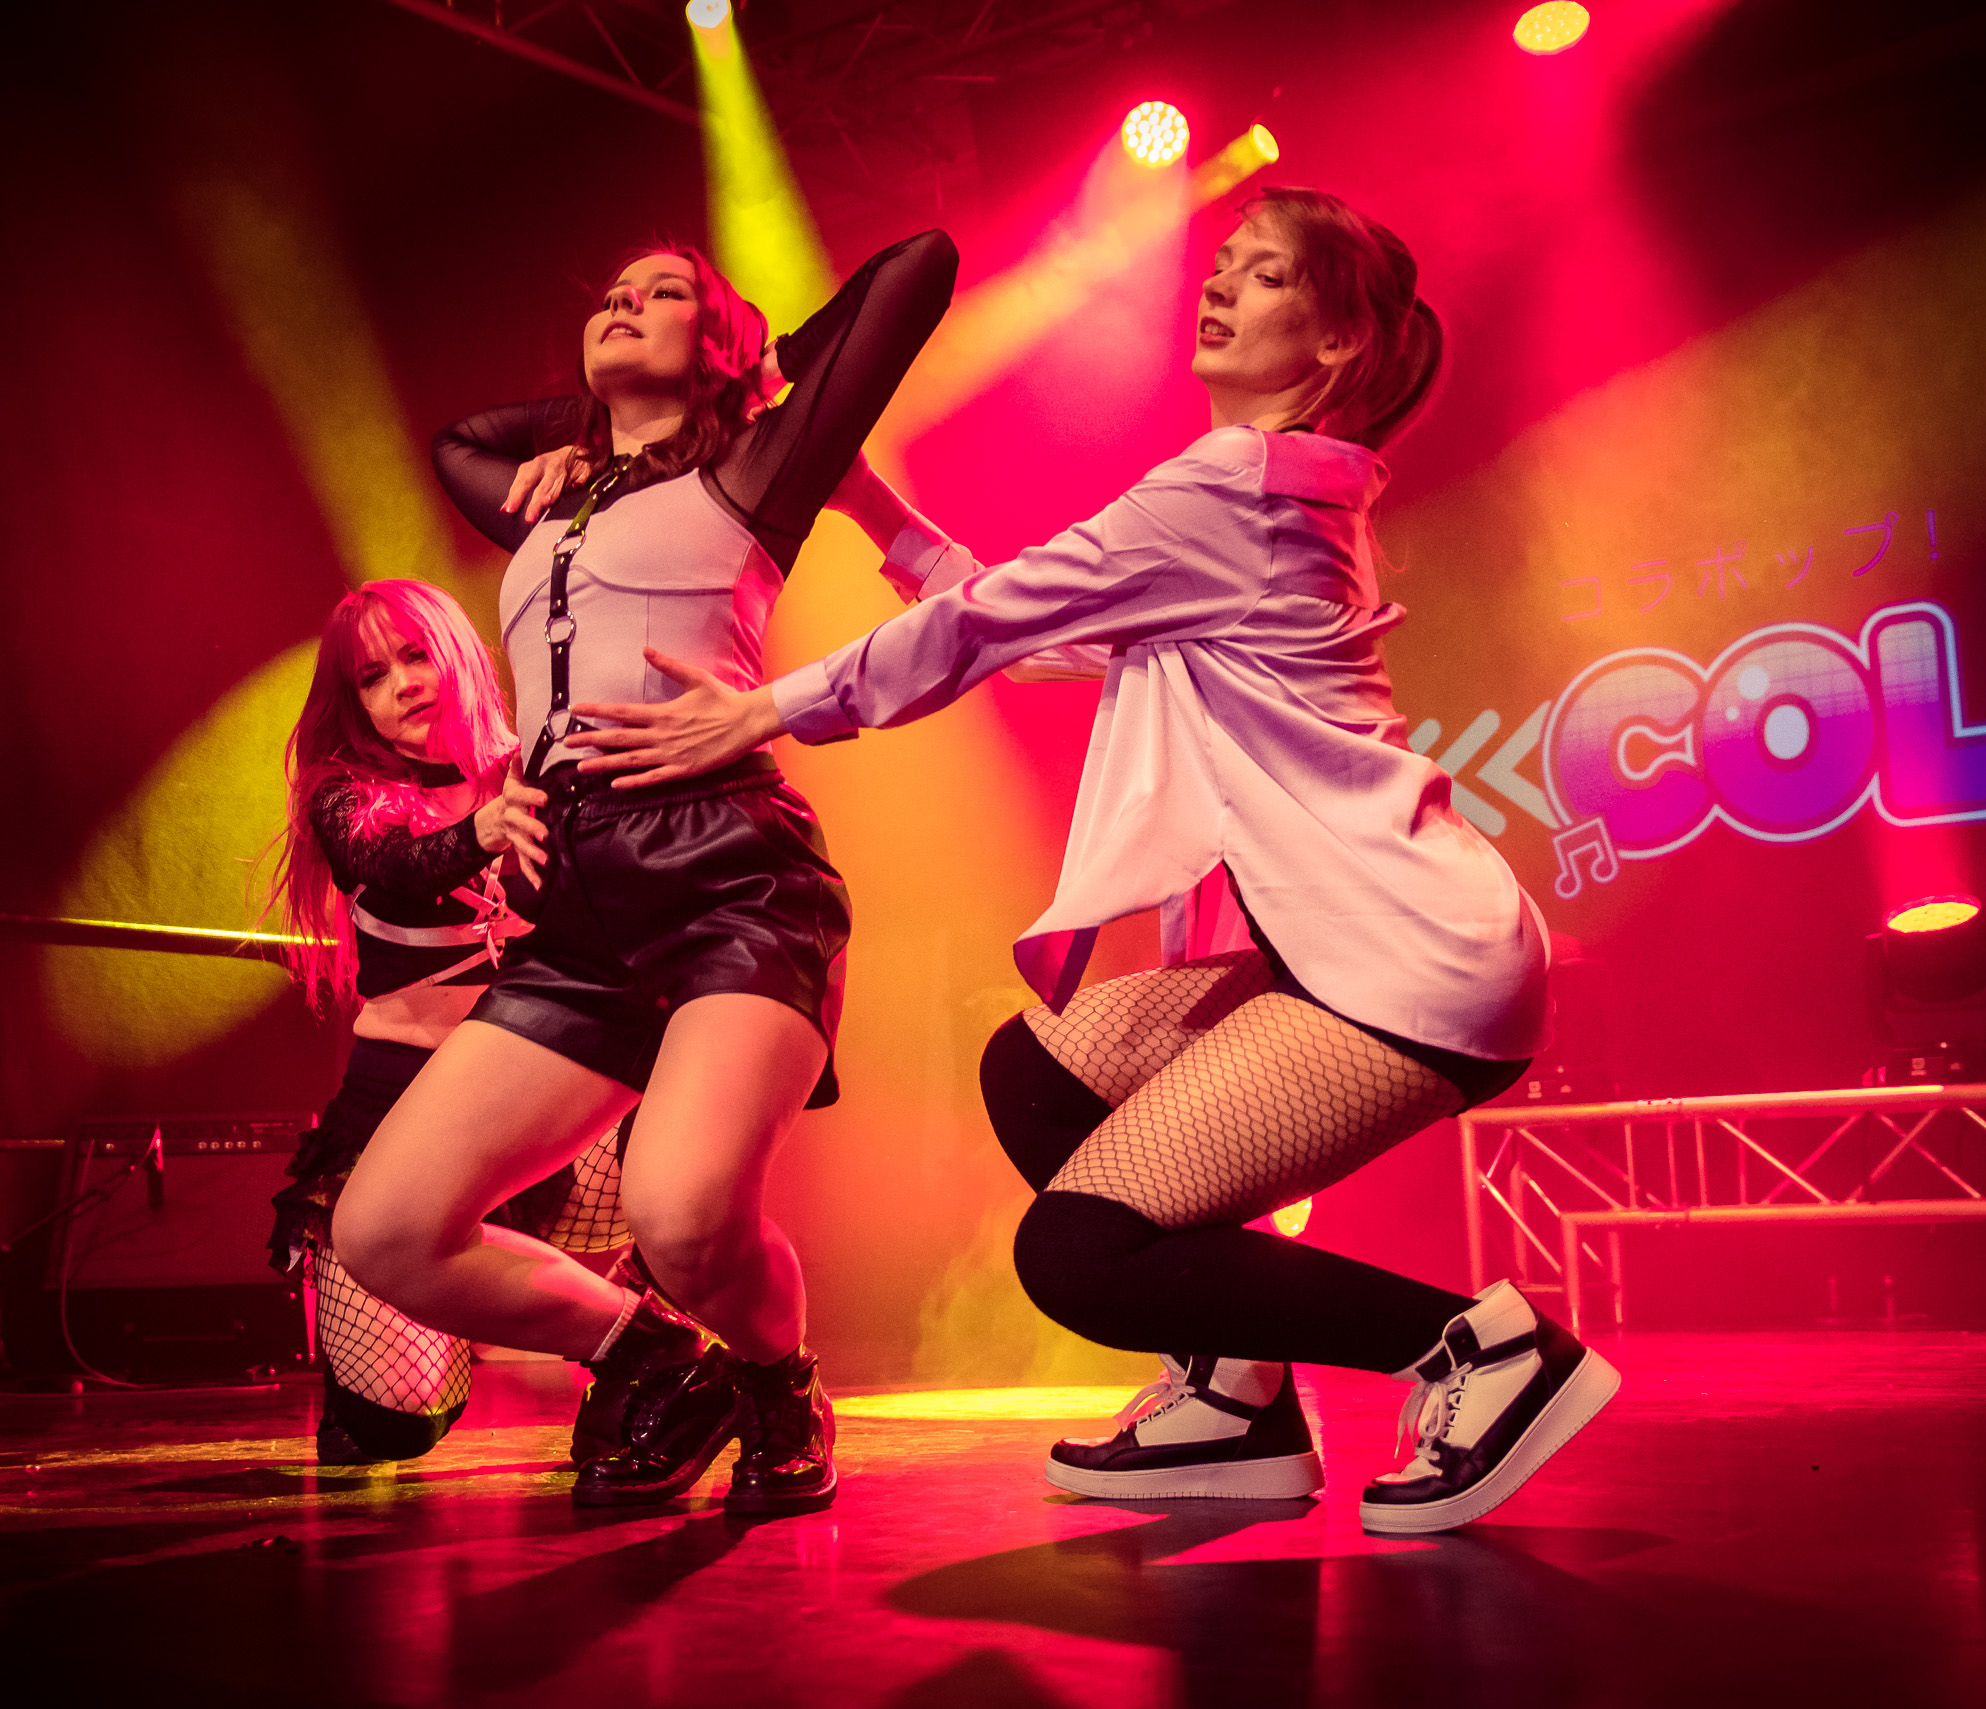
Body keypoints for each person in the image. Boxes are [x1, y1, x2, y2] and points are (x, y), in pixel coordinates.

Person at [556, 188, 1617, 1534]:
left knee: (1079, 1253)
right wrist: (866, 499)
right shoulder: (1262, 495)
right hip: (1351, 947)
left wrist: (763, 709)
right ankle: (1236, 1397)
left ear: (1338, 339)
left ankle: (1486, 1351)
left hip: (1406, 963)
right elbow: (1040, 631)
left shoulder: (1234, 483)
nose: (1217, 287)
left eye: (1264, 275)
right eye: (1219, 265)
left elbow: (995, 620)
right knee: (1036, 1071)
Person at [330, 231, 957, 1515]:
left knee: (681, 1215)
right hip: (573, 903)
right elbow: (457, 438)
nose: (623, 304)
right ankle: (656, 1355)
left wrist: (749, 376)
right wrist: (586, 424)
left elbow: (917, 270)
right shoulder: (543, 495)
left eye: (662, 293)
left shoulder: (757, 469)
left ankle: (779, 1382)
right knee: (384, 1230)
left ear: (716, 340)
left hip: (729, 875)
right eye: (611, 295)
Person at [265, 577, 634, 1465]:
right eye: (371, 676)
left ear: (459, 653)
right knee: (395, 1420)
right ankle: (442, 1297)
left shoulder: (536, 766)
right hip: (397, 1108)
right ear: (354, 701)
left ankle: (640, 1355)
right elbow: (398, 869)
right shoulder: (342, 794)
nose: (403, 684)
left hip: (529, 1097)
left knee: (661, 1148)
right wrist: (484, 831)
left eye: (416, 655)